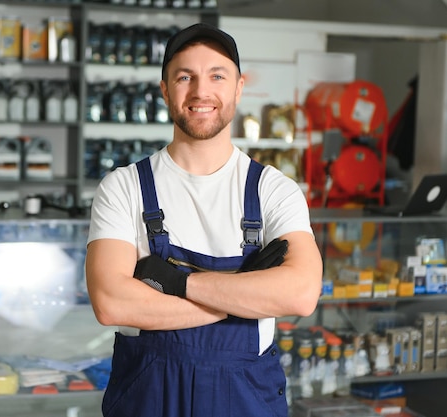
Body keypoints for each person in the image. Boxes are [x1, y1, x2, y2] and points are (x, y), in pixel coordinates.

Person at [85, 22, 323, 417]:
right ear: (165, 89)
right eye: (185, 77)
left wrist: (176, 283)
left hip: (245, 398)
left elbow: (299, 294)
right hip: (149, 398)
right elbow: (111, 302)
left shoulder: (274, 191)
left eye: (217, 75)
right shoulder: (123, 187)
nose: (201, 91)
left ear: (238, 87)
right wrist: (242, 295)